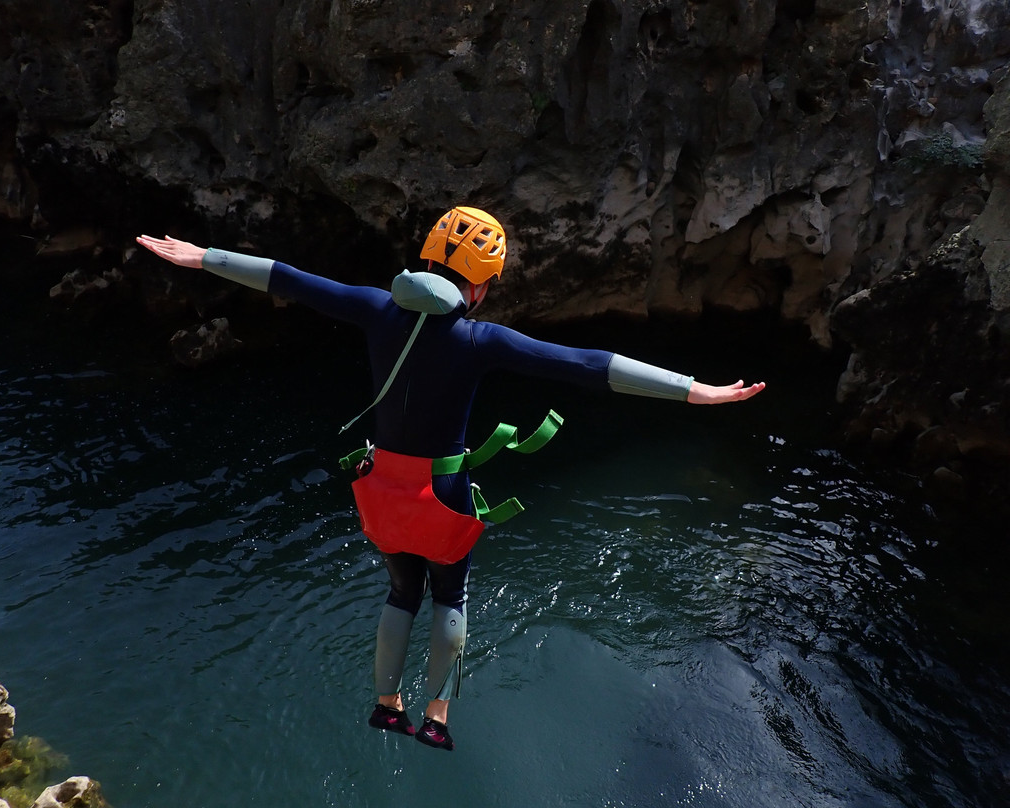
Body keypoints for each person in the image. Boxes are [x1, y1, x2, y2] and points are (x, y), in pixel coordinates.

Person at [136, 206, 764, 752]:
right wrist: (693, 391)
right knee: (450, 598)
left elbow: (286, 278)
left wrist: (203, 257)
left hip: (380, 488)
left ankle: (387, 704)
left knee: (399, 594)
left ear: (428, 257)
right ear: (483, 286)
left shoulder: (374, 308)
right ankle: (435, 718)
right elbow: (586, 365)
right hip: (442, 493)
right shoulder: (478, 339)